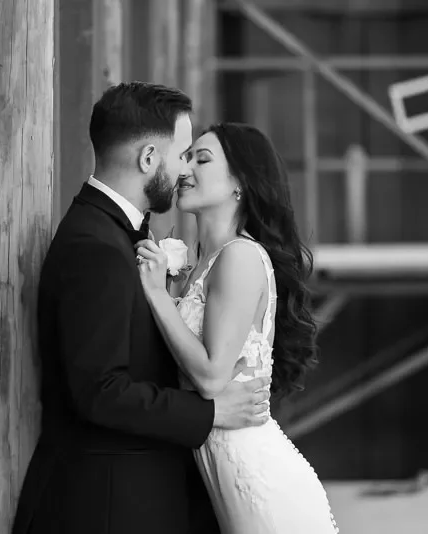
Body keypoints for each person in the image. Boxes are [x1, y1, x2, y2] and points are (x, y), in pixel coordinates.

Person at [11, 83, 271, 534]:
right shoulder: (96, 246)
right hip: (105, 506)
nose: (185, 168)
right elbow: (100, 390)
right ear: (149, 159)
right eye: (183, 153)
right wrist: (208, 414)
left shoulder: (119, 236)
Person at [134, 122, 339, 533]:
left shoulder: (240, 257)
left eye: (202, 159)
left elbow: (211, 377)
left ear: (240, 184)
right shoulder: (197, 268)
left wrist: (158, 296)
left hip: (255, 479)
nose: (186, 169)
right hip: (217, 473)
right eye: (186, 157)